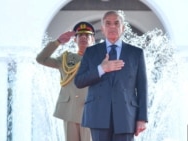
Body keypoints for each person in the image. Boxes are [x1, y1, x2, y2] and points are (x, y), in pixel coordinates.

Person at [74, 11, 148, 141]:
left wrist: (142, 118)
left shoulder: (136, 53)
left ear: (123, 28)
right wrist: (101, 69)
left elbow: (142, 88)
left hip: (126, 116)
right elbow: (79, 81)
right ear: (102, 28)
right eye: (108, 23)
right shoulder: (91, 52)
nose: (112, 26)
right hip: (98, 115)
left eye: (116, 23)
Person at [36, 21, 95, 141]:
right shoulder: (67, 58)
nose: (84, 37)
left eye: (87, 35)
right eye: (80, 35)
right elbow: (41, 59)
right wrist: (58, 42)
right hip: (70, 110)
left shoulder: (100, 59)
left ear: (93, 39)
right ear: (75, 40)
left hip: (91, 110)